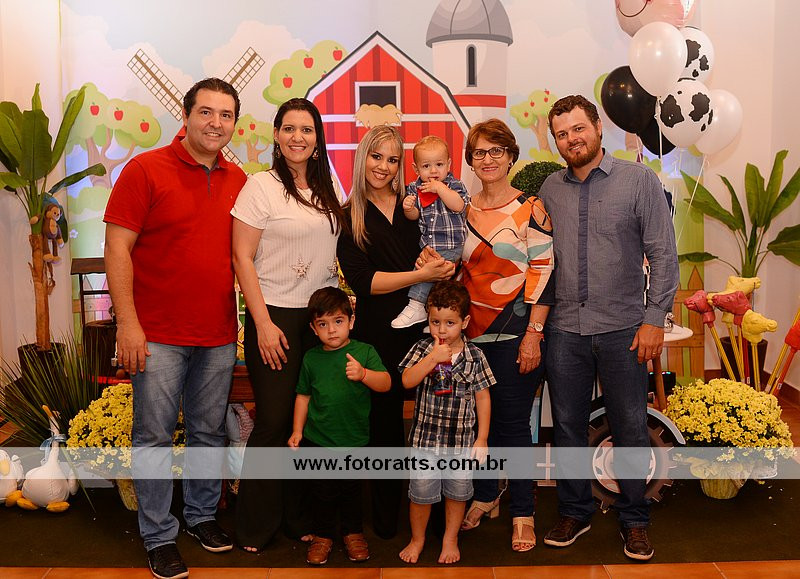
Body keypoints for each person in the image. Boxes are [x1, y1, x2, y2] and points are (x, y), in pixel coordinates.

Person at [104, 77, 246, 579]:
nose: (215, 123)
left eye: (225, 115)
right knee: (153, 437)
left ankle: (201, 516)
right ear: (185, 116)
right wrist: (128, 324)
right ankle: (159, 536)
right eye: (206, 112)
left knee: (209, 432)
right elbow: (116, 248)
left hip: (218, 333)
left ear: (235, 123)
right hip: (156, 334)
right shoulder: (145, 169)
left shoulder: (239, 179)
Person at [537, 95, 679, 561]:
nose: (571, 139)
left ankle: (635, 519)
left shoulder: (638, 180)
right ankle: (574, 512)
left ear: (598, 127)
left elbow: (663, 254)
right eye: (562, 134)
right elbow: (537, 260)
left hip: (624, 329)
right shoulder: (549, 190)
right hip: (564, 330)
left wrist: (654, 320)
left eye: (578, 128)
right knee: (568, 427)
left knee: (631, 426)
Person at [231, 98, 346, 552]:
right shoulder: (260, 186)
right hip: (274, 316)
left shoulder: (327, 189)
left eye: (307, 129)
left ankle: (299, 520)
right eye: (290, 128)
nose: (298, 137)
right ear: (277, 135)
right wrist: (260, 322)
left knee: (310, 423)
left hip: (319, 321)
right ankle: (255, 526)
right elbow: (242, 257)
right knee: (274, 421)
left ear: (318, 139)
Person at [337, 125, 456, 539]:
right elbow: (363, 282)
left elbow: (439, 243)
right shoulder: (348, 215)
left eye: (392, 159)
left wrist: (436, 263)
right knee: (384, 427)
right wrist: (419, 275)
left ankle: (439, 521)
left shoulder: (416, 202)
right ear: (362, 158)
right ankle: (386, 519)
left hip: (426, 329)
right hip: (377, 334)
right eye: (377, 157)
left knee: (436, 421)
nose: (384, 167)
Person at [443, 118, 555, 553]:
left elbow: (544, 272)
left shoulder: (531, 208)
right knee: (476, 424)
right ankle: (487, 495)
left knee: (512, 426)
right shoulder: (462, 210)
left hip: (516, 336)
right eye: (479, 152)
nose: (488, 159)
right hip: (468, 340)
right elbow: (456, 271)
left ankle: (523, 512)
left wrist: (534, 334)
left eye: (496, 151)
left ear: (511, 156)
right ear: (470, 161)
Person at [288, 287, 391, 565]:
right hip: (319, 439)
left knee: (351, 490)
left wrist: (364, 374)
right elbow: (303, 396)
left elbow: (385, 383)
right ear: (313, 328)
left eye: (338, 321)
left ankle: (353, 533)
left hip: (354, 439)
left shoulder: (364, 352)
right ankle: (323, 536)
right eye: (323, 324)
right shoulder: (311, 358)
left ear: (351, 321)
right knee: (322, 491)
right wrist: (297, 431)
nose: (331, 330)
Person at [397, 280, 494, 565]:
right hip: (425, 442)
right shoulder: (422, 348)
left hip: (461, 444)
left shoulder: (475, 356)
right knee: (420, 494)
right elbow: (406, 380)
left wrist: (482, 438)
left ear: (465, 322)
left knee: (457, 493)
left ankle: (450, 539)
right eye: (435, 322)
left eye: (450, 323)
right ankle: (417, 539)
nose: (441, 330)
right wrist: (431, 360)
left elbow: (483, 398)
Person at [391, 136, 469, 328]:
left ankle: (416, 305)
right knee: (436, 282)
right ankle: (432, 317)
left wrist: (440, 188)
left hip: (451, 245)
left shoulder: (454, 185)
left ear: (448, 164)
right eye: (426, 166)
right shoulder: (415, 188)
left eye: (439, 165)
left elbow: (459, 206)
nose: (433, 171)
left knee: (426, 274)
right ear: (416, 169)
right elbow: (414, 216)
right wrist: (409, 208)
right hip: (428, 246)